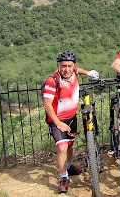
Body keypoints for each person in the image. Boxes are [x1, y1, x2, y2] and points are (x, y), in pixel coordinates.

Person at [42, 50, 99, 194]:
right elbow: (47, 105)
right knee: (62, 148)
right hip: (57, 119)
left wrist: (89, 73)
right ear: (58, 65)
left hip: (72, 117)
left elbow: (78, 70)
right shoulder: (52, 81)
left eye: (69, 66)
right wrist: (58, 123)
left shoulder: (74, 72)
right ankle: (63, 177)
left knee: (70, 145)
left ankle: (69, 166)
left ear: (73, 65)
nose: (66, 69)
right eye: (63, 66)